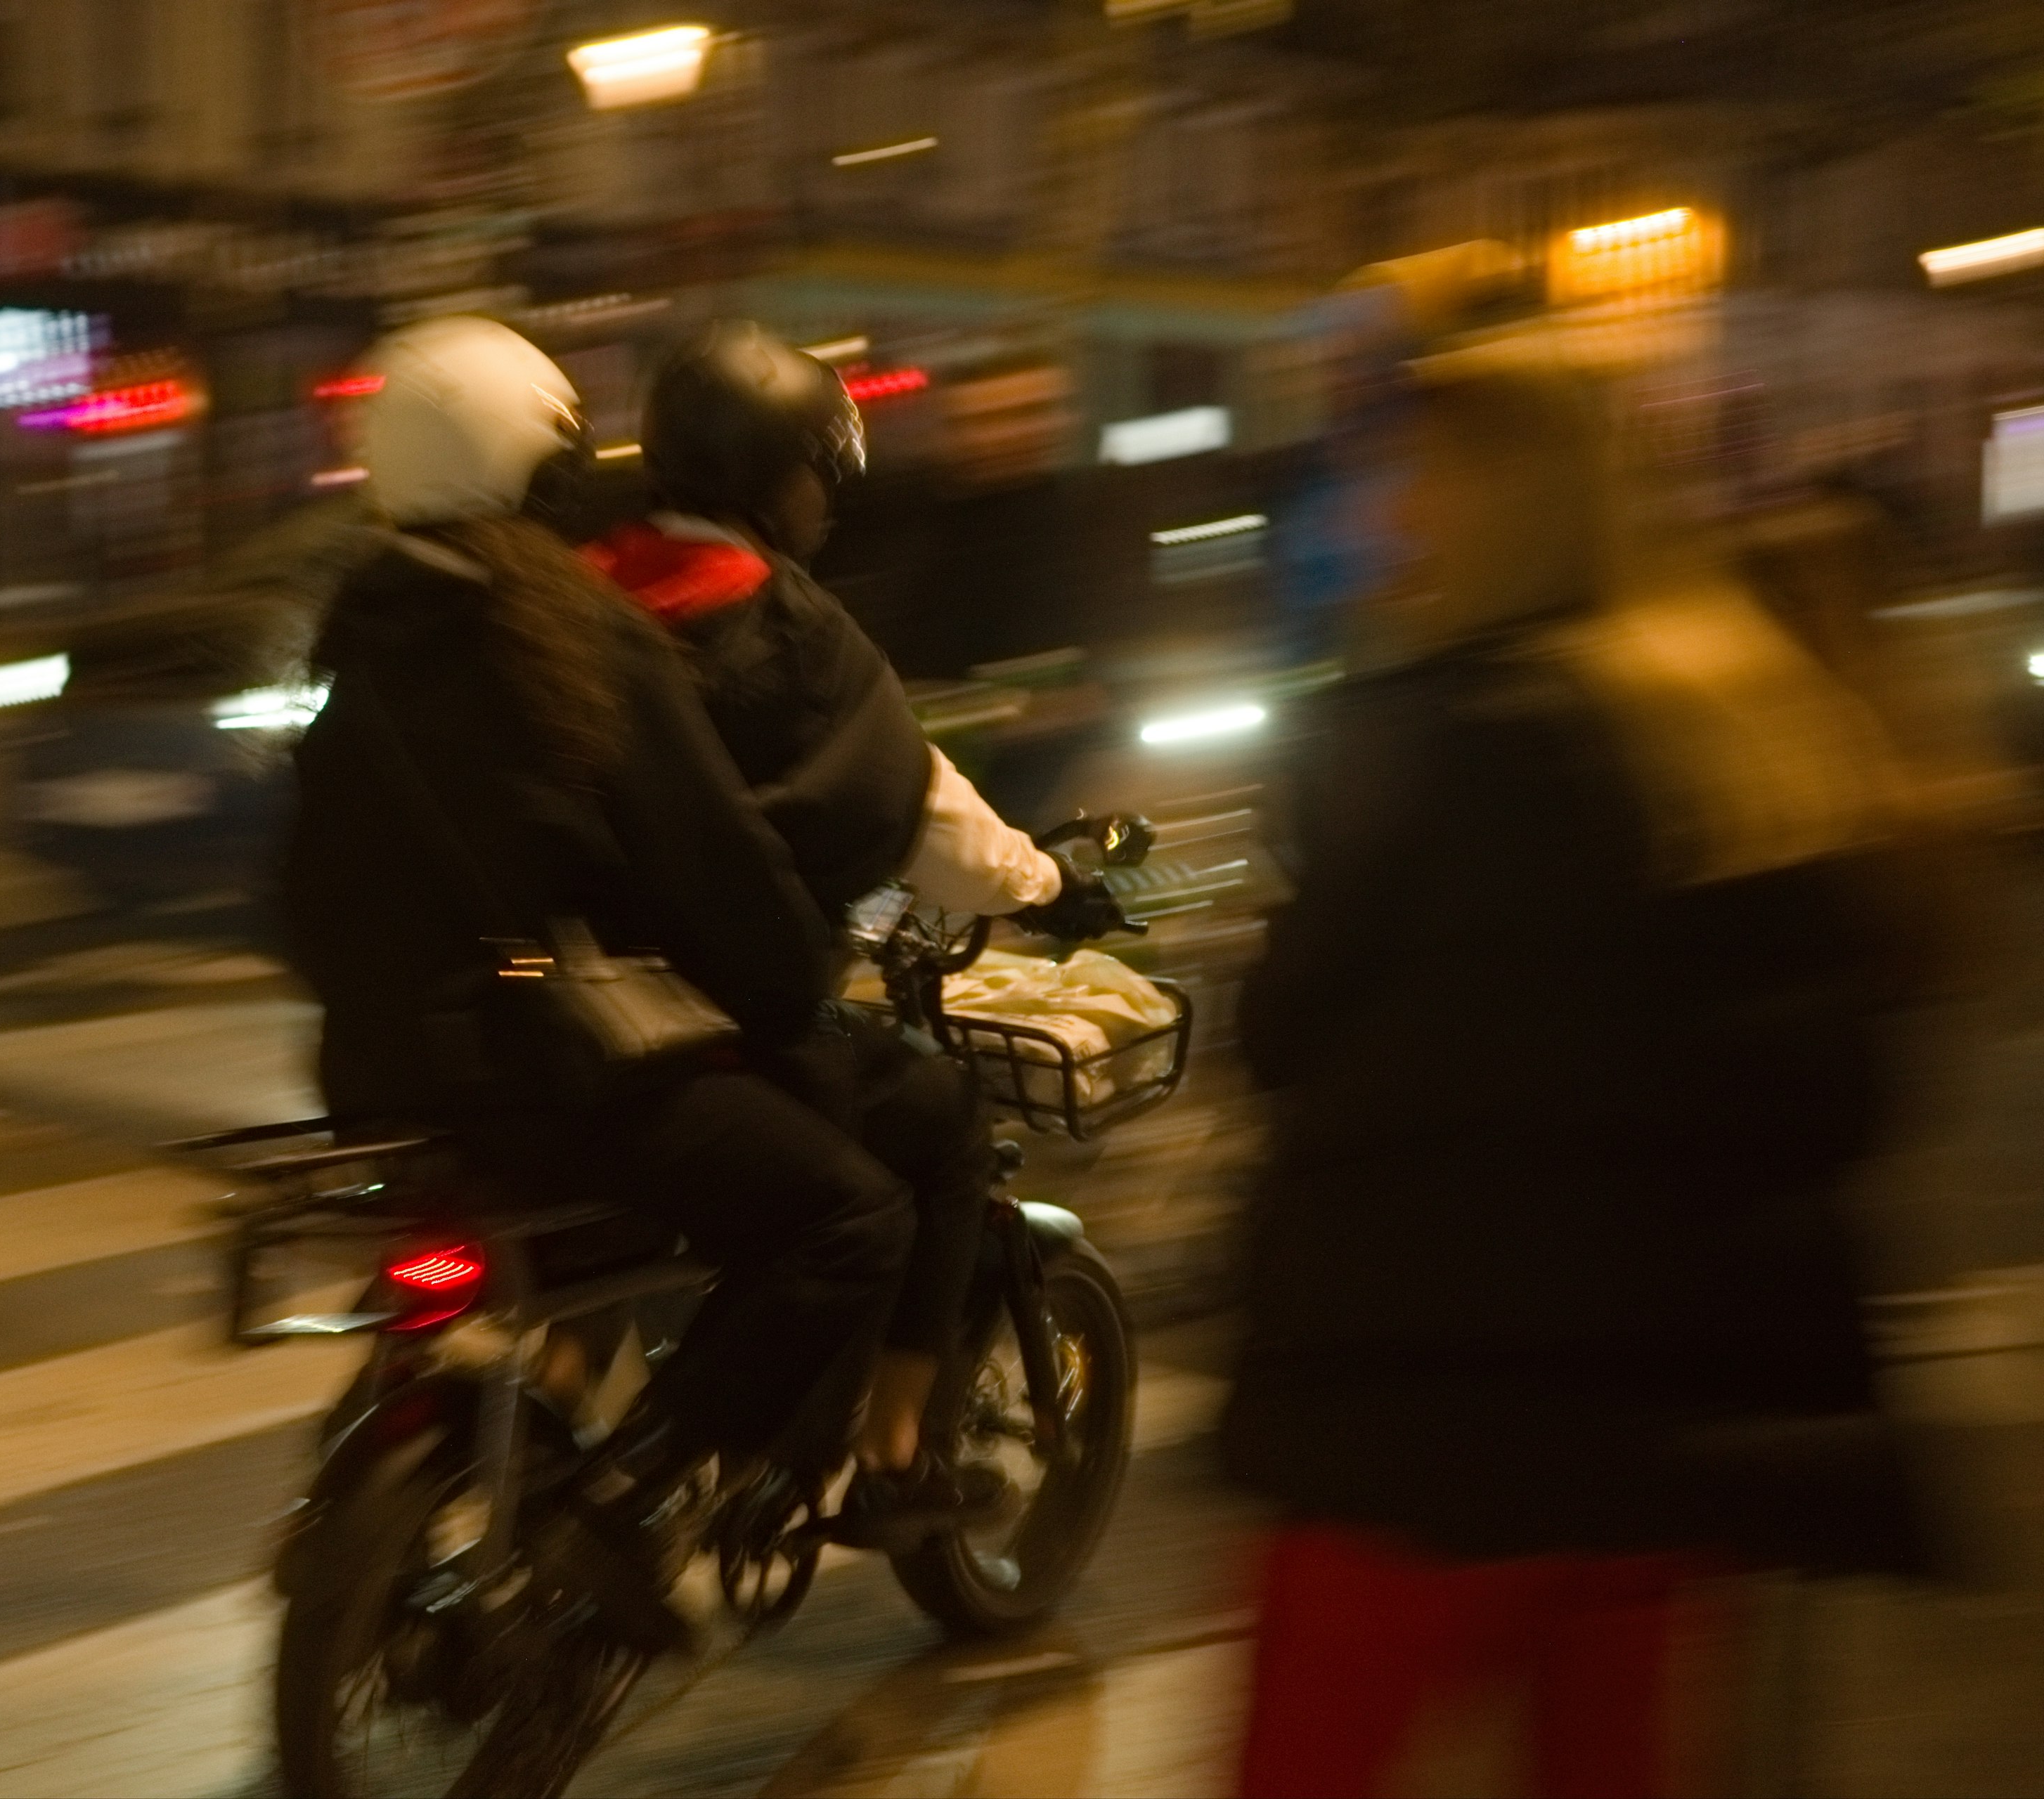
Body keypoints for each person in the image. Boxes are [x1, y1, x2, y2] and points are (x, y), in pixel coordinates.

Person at [1220, 351, 1934, 1798]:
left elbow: (1284, 1029)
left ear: (1494, 499)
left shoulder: (1440, 733)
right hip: (1654, 1434)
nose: (1389, 506)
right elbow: (1836, 1087)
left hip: (1419, 1415)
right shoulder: (1736, 728)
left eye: (1414, 472)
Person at [282, 316, 915, 1647]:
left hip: (375, 1080)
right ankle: (630, 1500)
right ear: (547, 469)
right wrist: (798, 983)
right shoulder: (571, 632)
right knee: (846, 1218)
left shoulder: (350, 647)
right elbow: (711, 864)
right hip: (544, 1070)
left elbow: (292, 907)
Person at [582, 322, 1125, 1542]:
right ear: (785, 480)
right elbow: (919, 804)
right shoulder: (782, 625)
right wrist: (1047, 886)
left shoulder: (573, 582)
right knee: (932, 1133)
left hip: (551, 1003)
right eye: (816, 472)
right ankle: (891, 1456)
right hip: (707, 1013)